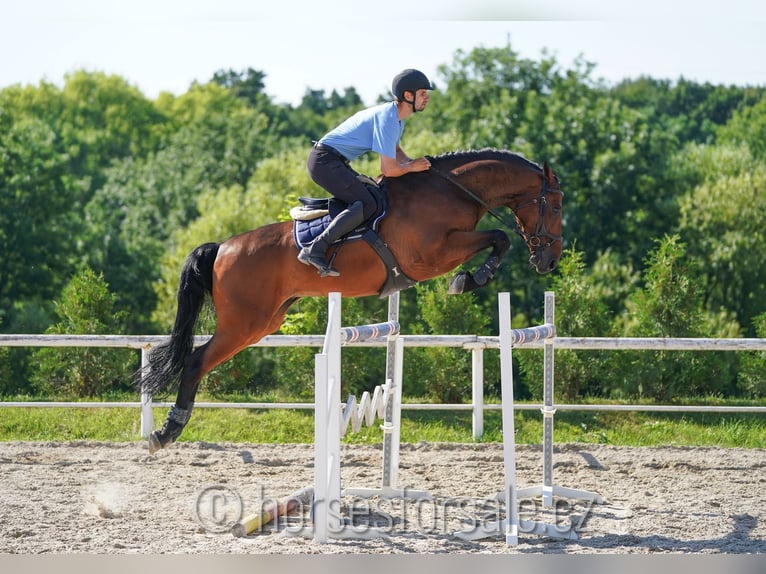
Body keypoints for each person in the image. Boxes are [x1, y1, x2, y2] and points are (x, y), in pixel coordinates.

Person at [298, 68, 435, 277]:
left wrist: (420, 168)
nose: (427, 98)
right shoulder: (388, 118)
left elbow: (397, 153)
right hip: (324, 161)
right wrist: (411, 167)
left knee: (374, 198)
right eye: (423, 93)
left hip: (332, 161)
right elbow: (388, 170)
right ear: (409, 96)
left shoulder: (396, 120)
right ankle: (315, 248)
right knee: (367, 203)